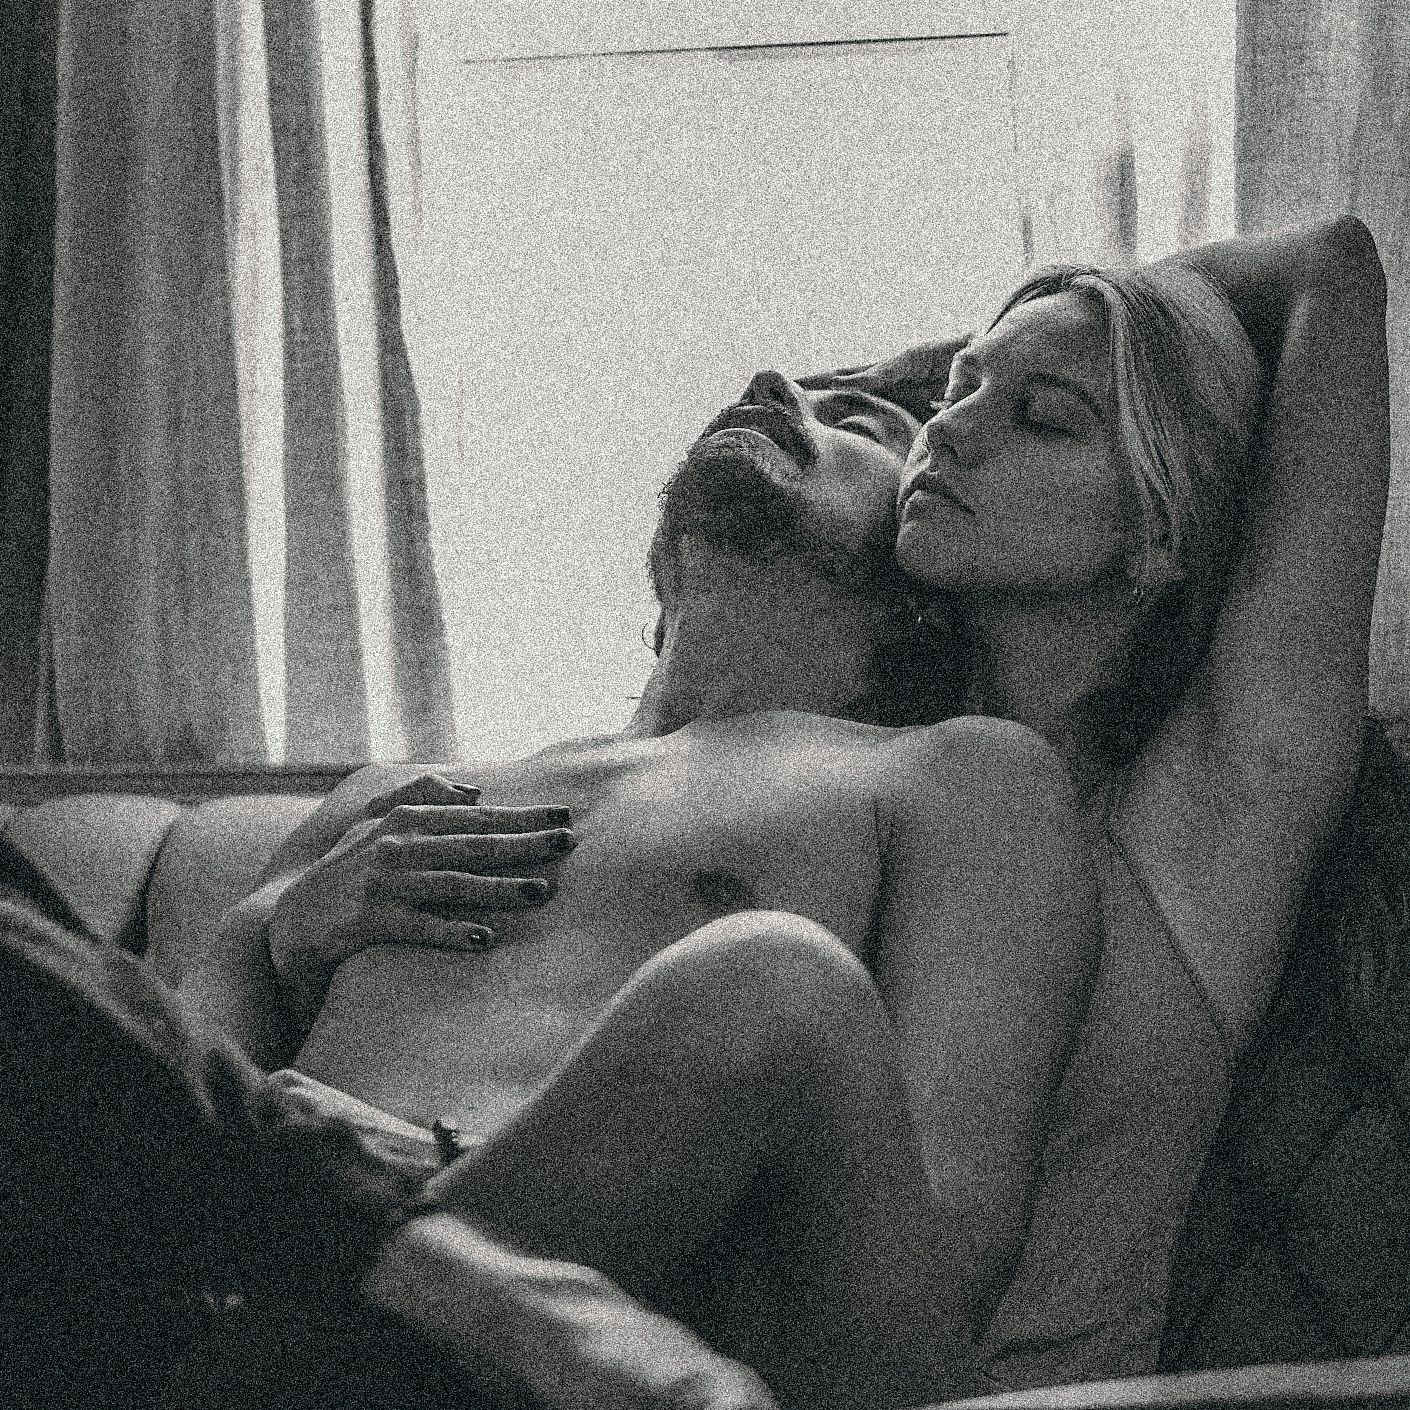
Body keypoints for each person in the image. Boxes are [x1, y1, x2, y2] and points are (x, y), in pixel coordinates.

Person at [5, 366, 1098, 1410]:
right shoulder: (392, 797)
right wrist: (275, 934)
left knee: (779, 982)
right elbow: (146, 1123)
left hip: (535, 1346)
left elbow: (925, 1270)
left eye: (855, 422)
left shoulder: (950, 773)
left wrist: (454, 1184)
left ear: (923, 585)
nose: (773, 387)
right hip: (225, 1299)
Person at [830, 216, 1389, 1389]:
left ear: (1159, 533)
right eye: (957, 390)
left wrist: (1121, 311)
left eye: (1043, 419)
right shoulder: (850, 768)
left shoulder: (1210, 817)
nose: (948, 429)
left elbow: (1334, 268)